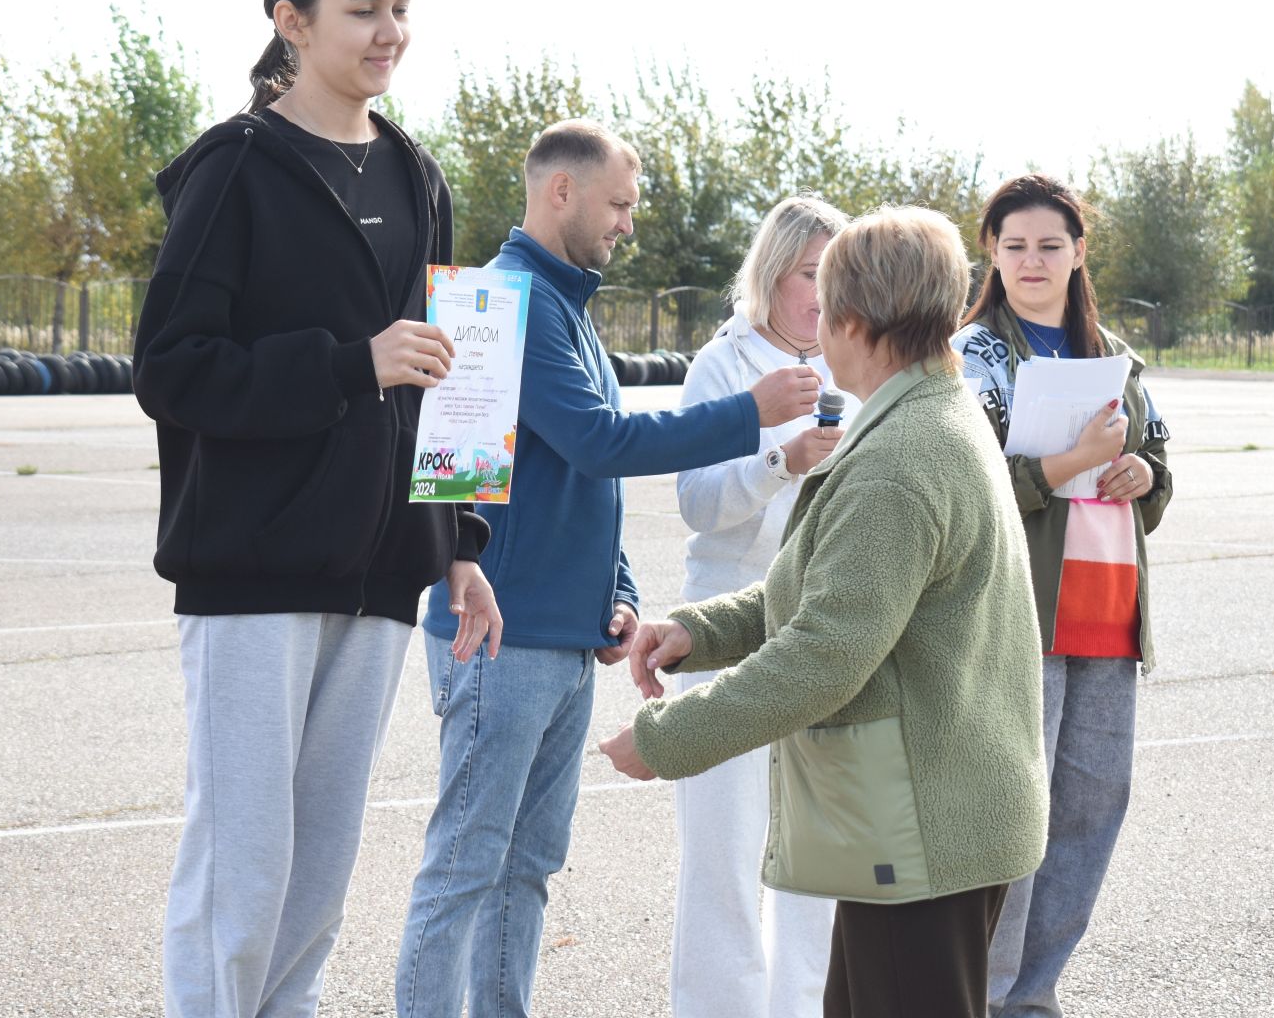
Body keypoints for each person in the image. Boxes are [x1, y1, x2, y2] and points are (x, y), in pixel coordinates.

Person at [133, 0, 503, 1018]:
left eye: (401, 9)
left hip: (383, 570)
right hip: (254, 567)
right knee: (242, 874)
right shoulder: (235, 169)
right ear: (291, 20)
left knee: (317, 887)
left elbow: (443, 375)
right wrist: (350, 362)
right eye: (364, 8)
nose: (390, 31)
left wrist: (461, 543)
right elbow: (173, 368)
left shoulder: (418, 174)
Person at [394, 120, 822, 1018]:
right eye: (619, 204)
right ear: (562, 192)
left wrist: (617, 591)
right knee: (469, 864)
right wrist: (748, 415)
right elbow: (598, 442)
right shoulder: (501, 300)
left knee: (528, 866)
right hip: (497, 637)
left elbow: (571, 484)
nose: (628, 224)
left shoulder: (563, 306)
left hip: (561, 637)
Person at [601, 206, 1050, 1018]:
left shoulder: (900, 457)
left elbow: (824, 654)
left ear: (850, 321)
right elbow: (822, 592)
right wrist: (701, 632)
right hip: (927, 819)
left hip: (924, 832)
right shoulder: (930, 414)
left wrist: (668, 737)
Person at [950, 173, 1173, 1018]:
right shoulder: (974, 355)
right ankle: (986, 994)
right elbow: (968, 489)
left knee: (1088, 818)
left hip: (1108, 617)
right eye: (1015, 247)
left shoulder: (1113, 355)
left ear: (1079, 254)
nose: (1032, 261)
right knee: (1016, 823)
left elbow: (1161, 477)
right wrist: (1073, 463)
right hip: (1021, 619)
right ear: (992, 255)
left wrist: (1141, 472)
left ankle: (1034, 998)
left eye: (1050, 245)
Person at [666, 194, 849, 1018]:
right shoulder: (722, 365)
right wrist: (781, 459)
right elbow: (700, 506)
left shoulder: (854, 366)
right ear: (772, 274)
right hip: (726, 634)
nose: (824, 291)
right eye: (811, 273)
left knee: (818, 863)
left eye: (837, 275)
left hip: (820, 637)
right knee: (726, 860)